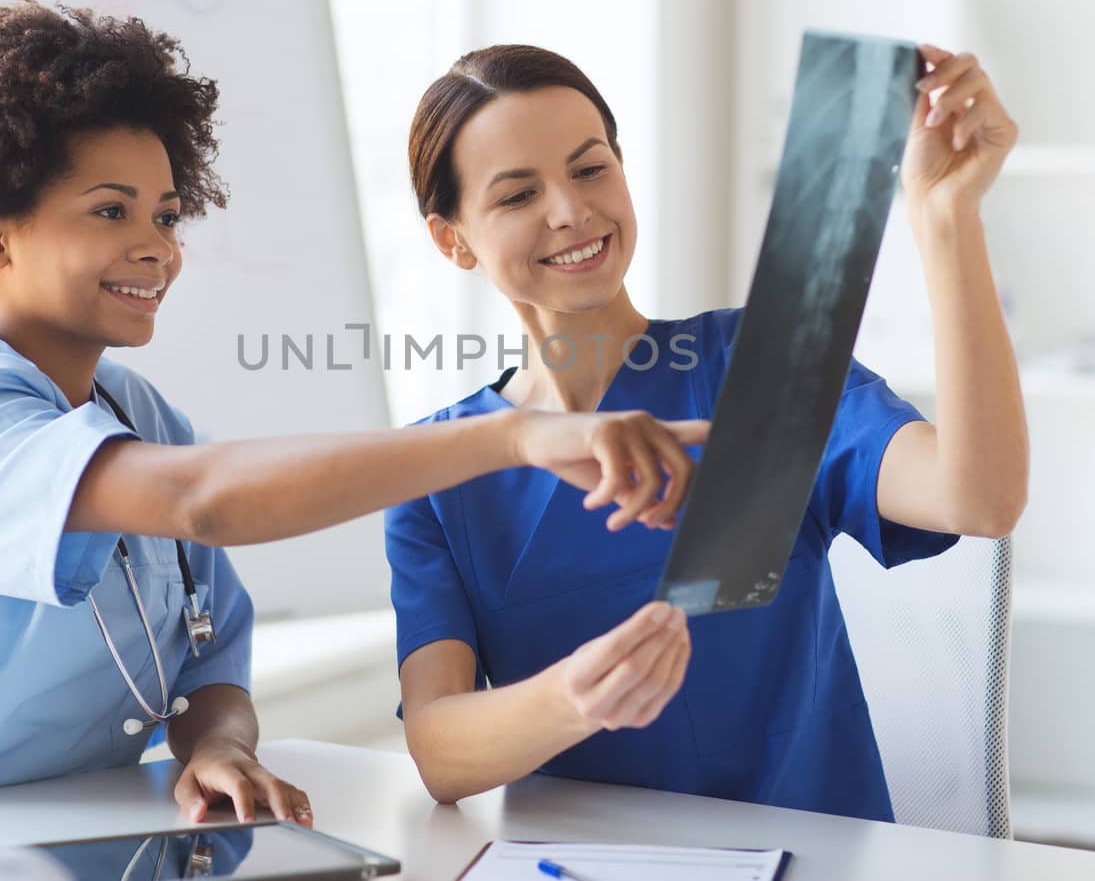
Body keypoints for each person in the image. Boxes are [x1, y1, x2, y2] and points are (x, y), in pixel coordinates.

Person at [0, 2, 706, 820]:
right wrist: (512, 436)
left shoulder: (140, 411)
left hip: (37, 840)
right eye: (110, 211)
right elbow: (202, 500)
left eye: (165, 213)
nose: (155, 246)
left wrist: (216, 747)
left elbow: (206, 658)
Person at [386, 43, 1029, 819]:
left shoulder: (754, 370)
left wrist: (944, 214)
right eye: (519, 194)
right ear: (452, 238)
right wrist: (577, 698)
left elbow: (978, 497)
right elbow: (439, 751)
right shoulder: (441, 470)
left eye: (591, 169)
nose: (570, 210)